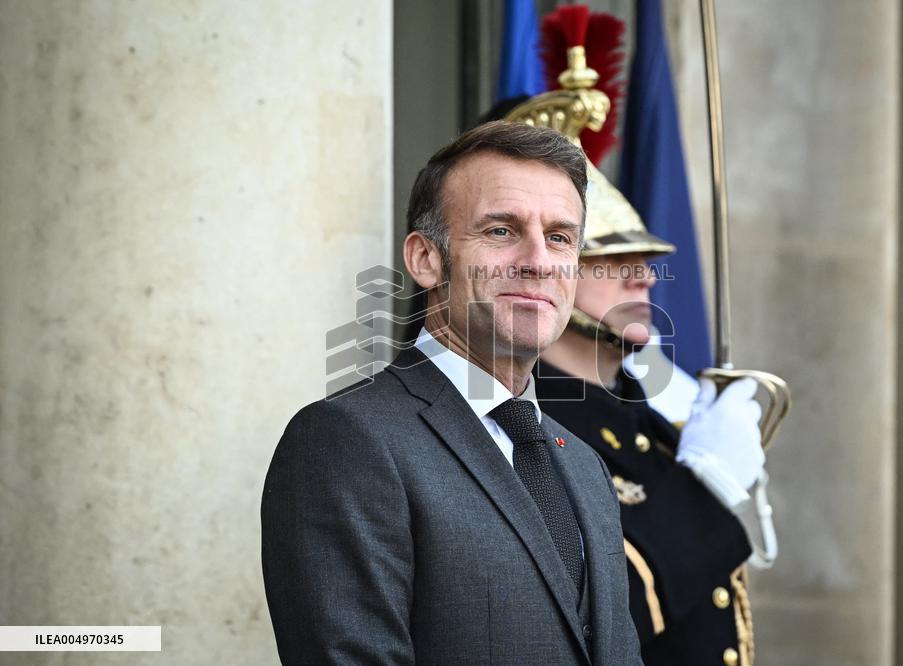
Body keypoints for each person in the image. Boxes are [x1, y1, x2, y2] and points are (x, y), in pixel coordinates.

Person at [261, 120, 642, 665]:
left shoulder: (583, 465)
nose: (538, 261)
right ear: (426, 260)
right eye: (500, 231)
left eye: (559, 237)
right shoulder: (347, 440)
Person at [496, 17, 767, 664]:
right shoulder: (520, 427)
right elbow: (576, 628)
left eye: (644, 256)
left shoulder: (641, 416)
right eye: (613, 261)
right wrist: (705, 489)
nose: (644, 275)